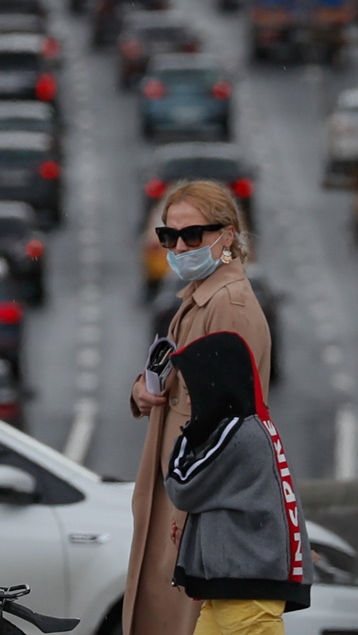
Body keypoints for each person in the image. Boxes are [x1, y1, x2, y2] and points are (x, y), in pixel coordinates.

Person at [124, 180, 272, 635]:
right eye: (169, 237)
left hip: (196, 508)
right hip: (180, 500)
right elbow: (175, 382)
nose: (180, 247)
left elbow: (228, 427)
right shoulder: (195, 301)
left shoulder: (227, 306)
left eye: (194, 236)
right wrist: (141, 391)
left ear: (227, 236)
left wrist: (192, 512)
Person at [164, 330, 312, 634]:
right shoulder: (252, 425)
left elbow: (182, 485)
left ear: (216, 383)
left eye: (194, 388)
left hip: (246, 596)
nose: (190, 398)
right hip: (234, 591)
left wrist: (188, 436)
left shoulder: (236, 432)